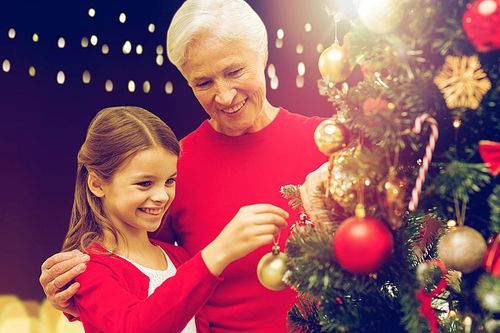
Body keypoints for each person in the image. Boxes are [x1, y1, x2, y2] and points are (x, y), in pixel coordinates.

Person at [39, 1, 328, 332]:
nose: (224, 95)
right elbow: (141, 273)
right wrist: (76, 297)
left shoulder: (328, 143)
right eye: (203, 83)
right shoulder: (174, 168)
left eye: (234, 71)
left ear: (263, 56)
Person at [60, 106, 288, 333]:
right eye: (145, 183)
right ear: (97, 184)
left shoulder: (178, 257)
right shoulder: (88, 269)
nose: (162, 196)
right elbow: (134, 327)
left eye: (169, 181)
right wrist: (218, 251)